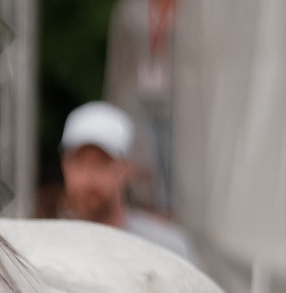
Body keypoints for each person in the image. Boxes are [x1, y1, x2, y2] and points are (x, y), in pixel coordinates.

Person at [58, 101, 193, 261]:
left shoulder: (166, 248)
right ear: (65, 167)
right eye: (80, 164)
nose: (89, 177)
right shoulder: (45, 248)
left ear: (126, 169)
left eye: (101, 164)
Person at [103, 0, 177, 210]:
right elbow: (117, 62)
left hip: (178, 106)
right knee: (140, 177)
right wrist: (111, 110)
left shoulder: (196, 8)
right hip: (135, 103)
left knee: (180, 174)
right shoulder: (130, 6)